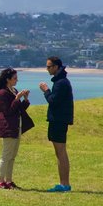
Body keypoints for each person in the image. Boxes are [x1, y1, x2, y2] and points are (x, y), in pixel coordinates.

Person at [0, 68, 33, 189]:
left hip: (16, 125)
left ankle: (8, 180)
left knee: (12, 155)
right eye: (14, 78)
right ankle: (0, 180)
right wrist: (16, 99)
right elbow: (8, 111)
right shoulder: (2, 93)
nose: (16, 80)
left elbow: (19, 108)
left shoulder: (13, 90)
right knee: (6, 154)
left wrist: (24, 99)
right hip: (7, 126)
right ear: (8, 79)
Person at [39, 56, 74, 192]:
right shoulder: (61, 81)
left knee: (61, 152)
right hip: (59, 120)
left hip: (58, 120)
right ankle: (64, 183)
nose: (47, 69)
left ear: (56, 67)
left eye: (49, 66)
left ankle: (64, 184)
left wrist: (46, 90)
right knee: (60, 152)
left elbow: (53, 100)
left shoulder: (61, 83)